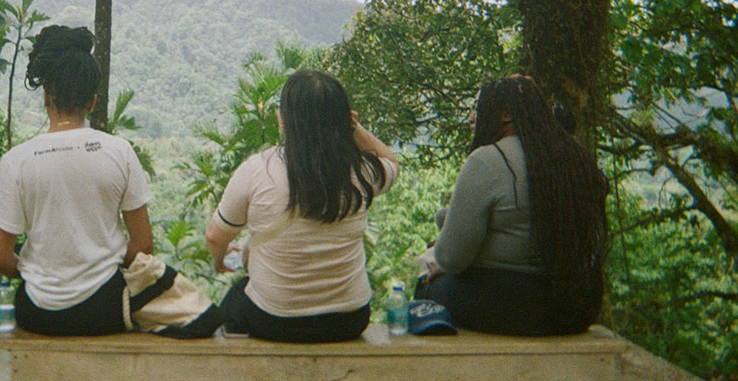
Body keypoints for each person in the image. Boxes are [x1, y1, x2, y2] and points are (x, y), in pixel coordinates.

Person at [0, 25, 153, 336]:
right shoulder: (120, 152)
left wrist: (41, 274)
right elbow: (143, 245)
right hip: (105, 308)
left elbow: (1, 258)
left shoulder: (17, 161)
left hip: (38, 312)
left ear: (46, 96)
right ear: (93, 101)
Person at [205, 70, 399, 343]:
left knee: (233, 302)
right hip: (350, 318)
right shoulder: (363, 171)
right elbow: (390, 162)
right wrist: (354, 128)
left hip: (275, 319)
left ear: (284, 121)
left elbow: (215, 237)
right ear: (343, 120)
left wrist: (219, 261)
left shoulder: (256, 171)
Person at [416, 75, 608, 335]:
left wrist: (447, 237)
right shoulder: (574, 155)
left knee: (428, 284)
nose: (473, 117)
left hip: (520, 307)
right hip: (577, 306)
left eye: (480, 108)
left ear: (505, 115)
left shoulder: (487, 160)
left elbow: (451, 258)